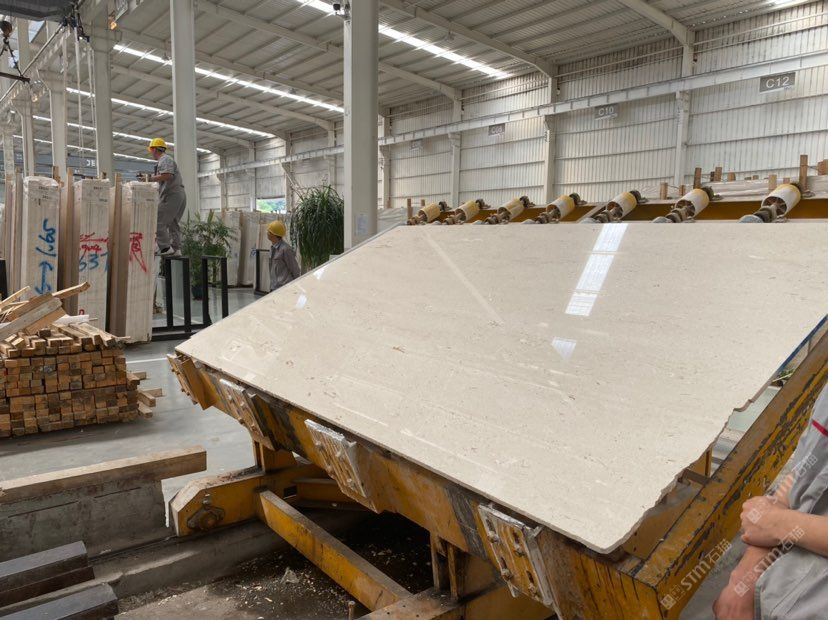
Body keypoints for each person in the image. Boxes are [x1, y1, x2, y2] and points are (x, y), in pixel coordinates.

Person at [713, 383, 828, 619]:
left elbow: (774, 522)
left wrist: (778, 524)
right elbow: (804, 471)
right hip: (779, 587)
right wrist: (745, 575)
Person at [145, 138, 186, 257]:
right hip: (178, 194)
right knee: (173, 222)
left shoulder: (165, 159)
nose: (151, 153)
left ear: (154, 149)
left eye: (151, 150)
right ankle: (176, 249)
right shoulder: (165, 160)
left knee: (158, 220)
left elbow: (168, 175)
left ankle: (165, 248)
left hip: (172, 195)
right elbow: (164, 177)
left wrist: (150, 178)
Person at [267, 220, 300, 292]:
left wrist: (296, 286)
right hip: (274, 287)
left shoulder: (286, 249)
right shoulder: (273, 248)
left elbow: (295, 269)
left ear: (274, 234)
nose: (267, 233)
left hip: (284, 288)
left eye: (269, 231)